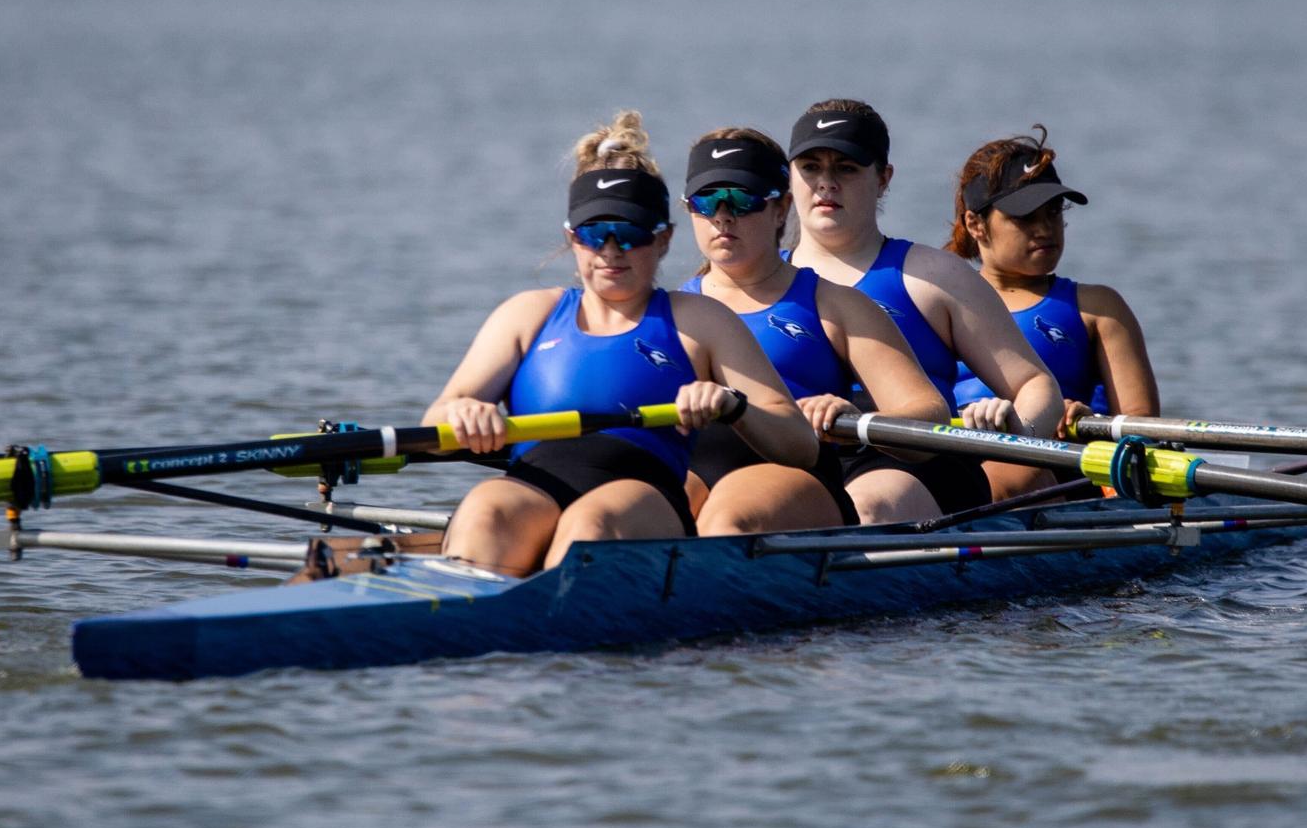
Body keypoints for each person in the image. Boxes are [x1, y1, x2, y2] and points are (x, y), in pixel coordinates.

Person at [422, 111, 818, 575]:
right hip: (533, 482)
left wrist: (734, 406)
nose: (611, 250)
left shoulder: (700, 321)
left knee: (592, 524)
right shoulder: (528, 315)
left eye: (629, 234)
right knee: (484, 510)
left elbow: (800, 446)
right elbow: (436, 422)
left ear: (664, 239)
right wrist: (464, 413)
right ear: (572, 238)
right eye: (594, 234)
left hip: (642, 493)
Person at [784, 98, 1065, 523]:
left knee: (869, 508)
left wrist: (1014, 435)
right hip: (797, 459)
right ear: (789, 178)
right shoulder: (754, 283)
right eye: (811, 168)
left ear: (883, 179)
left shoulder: (933, 276)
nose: (826, 184)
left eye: (846, 168)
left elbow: (1036, 385)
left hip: (916, 464)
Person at [677, 128, 949, 534]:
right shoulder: (670, 309)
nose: (723, 216)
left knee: (728, 521)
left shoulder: (833, 304)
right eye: (706, 202)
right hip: (695, 465)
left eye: (742, 200)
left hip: (792, 467)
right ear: (688, 210)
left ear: (781, 207)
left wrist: (859, 418)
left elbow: (929, 415)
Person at [947, 126, 1160, 500]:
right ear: (975, 224)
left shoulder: (1097, 307)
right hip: (954, 460)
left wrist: (1091, 423)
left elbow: (1143, 432)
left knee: (1017, 468)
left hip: (1063, 473)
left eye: (1053, 212)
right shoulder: (936, 303)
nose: (1046, 229)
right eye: (1025, 218)